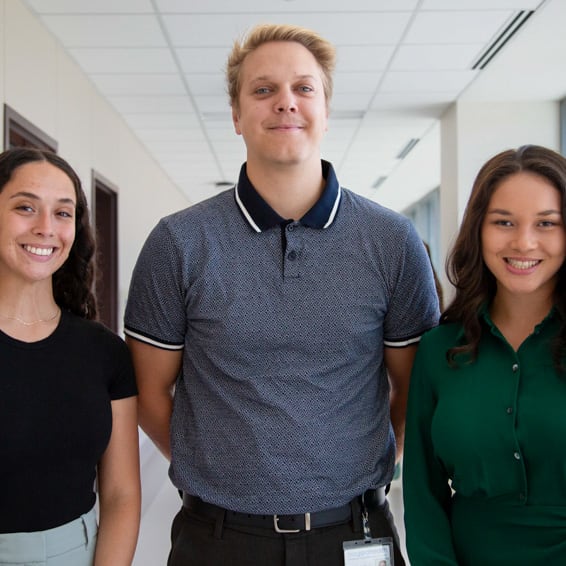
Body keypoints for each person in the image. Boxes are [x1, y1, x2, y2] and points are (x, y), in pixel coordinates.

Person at [125, 23, 439, 566]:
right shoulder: (178, 242)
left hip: (355, 531)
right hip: (217, 538)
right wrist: (217, 473)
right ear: (236, 114)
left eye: (303, 88)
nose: (285, 103)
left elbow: (413, 387)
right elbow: (150, 394)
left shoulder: (391, 241)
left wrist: (356, 467)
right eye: (263, 90)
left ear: (326, 108)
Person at [403, 145, 566, 565]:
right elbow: (423, 496)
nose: (524, 242)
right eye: (504, 222)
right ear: (478, 229)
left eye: (547, 223)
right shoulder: (440, 349)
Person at [0, 148, 140, 565]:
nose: (46, 228)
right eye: (26, 207)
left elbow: (121, 495)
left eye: (63, 213)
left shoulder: (103, 352)